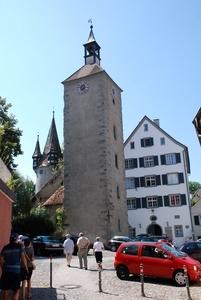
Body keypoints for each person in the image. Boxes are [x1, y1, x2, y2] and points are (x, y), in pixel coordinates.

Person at [0, 233, 29, 300]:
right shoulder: (19, 247)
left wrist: (3, 268)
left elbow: (1, 260)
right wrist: (26, 268)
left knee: (6, 290)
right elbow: (23, 257)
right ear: (16, 239)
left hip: (6, 271)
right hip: (16, 271)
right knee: (16, 289)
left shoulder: (5, 247)